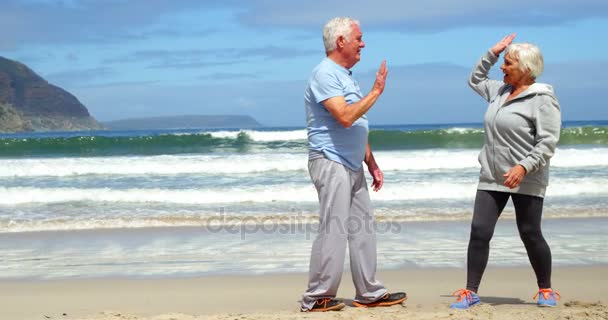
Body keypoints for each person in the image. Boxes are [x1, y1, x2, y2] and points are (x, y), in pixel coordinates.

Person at [300, 17, 407, 312]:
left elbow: (357, 123)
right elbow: (344, 116)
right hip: (330, 160)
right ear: (341, 42)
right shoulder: (324, 74)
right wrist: (375, 92)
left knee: (363, 228)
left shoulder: (346, 75)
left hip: (352, 163)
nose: (363, 43)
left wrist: (371, 161)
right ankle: (316, 297)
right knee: (334, 228)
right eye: (358, 38)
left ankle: (370, 293)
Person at [450, 34, 562, 309]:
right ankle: (471, 291)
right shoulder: (498, 91)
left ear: (525, 68)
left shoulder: (543, 100)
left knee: (529, 232)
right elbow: (475, 79)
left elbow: (547, 143)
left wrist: (523, 167)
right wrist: (493, 52)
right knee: (479, 230)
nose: (502, 67)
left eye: (508, 63)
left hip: (527, 176)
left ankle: (545, 289)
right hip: (492, 174)